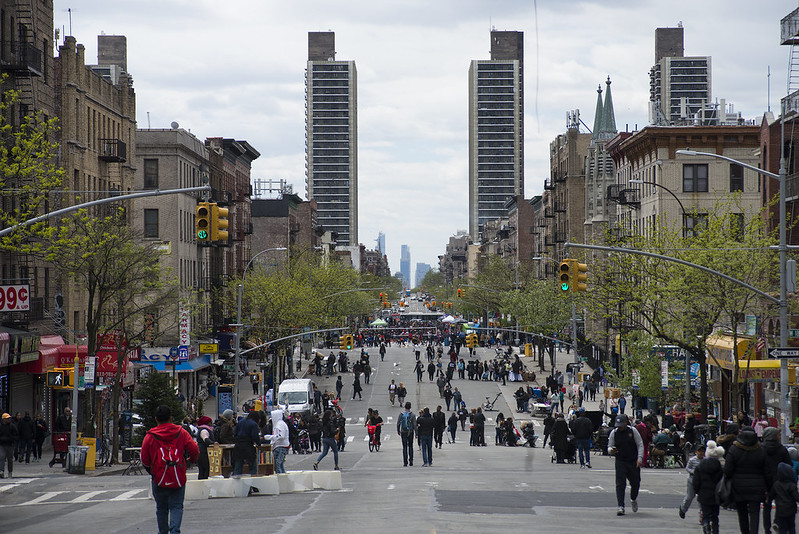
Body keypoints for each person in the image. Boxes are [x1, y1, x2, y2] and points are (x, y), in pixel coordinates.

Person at [141, 405, 199, 534]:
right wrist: (191, 461)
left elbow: (144, 459)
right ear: (171, 418)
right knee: (176, 506)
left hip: (159, 476)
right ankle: (175, 531)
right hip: (178, 475)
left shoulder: (150, 436)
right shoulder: (181, 432)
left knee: (161, 507)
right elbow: (194, 449)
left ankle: (163, 531)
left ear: (156, 419)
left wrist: (152, 471)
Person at [724, 425, 771, 534]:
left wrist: (728, 481)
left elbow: (728, 470)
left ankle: (745, 531)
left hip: (738, 487)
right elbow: (767, 471)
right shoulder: (760, 450)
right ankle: (754, 531)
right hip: (757, 486)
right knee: (755, 512)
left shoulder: (734, 449)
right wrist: (768, 488)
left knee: (742, 512)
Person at [608, 414, 643, 516]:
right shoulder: (614, 433)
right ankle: (621, 506)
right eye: (617, 425)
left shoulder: (633, 431)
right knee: (620, 484)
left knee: (635, 483)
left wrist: (639, 458)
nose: (619, 427)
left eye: (621, 424)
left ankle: (633, 498)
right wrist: (611, 451)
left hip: (633, 461)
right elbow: (609, 446)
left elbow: (640, 444)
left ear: (625, 423)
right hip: (620, 461)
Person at [763, 426, 791, 533]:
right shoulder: (781, 449)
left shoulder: (761, 448)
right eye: (778, 435)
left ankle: (767, 528)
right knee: (780, 503)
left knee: (767, 505)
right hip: (779, 480)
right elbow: (788, 464)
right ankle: (776, 521)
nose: (780, 436)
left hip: (765, 480)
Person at [693, 440, 725, 534]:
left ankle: (706, 527)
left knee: (705, 514)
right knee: (715, 515)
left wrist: (697, 491)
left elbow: (696, 481)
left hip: (704, 493)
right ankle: (715, 530)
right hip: (715, 494)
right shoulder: (719, 466)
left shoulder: (700, 466)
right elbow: (721, 480)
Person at [678, 443, 705, 519]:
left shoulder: (705, 461)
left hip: (701, 481)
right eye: (700, 451)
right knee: (690, 496)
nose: (701, 453)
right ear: (696, 452)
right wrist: (692, 471)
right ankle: (683, 509)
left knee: (701, 498)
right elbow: (687, 468)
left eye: (703, 451)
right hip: (692, 480)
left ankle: (702, 515)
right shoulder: (692, 460)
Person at [772, 462, 799, 534]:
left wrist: (768, 499)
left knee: (782, 528)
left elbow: (772, 495)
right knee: (791, 527)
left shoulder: (776, 484)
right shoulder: (792, 485)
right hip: (791, 509)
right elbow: (796, 497)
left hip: (780, 510)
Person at [264, 410, 290, 474]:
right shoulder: (277, 425)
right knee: (278, 464)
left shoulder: (280, 424)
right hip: (278, 446)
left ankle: (280, 477)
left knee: (277, 463)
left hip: (282, 446)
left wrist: (269, 437)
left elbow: (281, 436)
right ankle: (283, 475)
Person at [397, 402, 417, 467]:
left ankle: (405, 462)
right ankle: (411, 460)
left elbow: (398, 423)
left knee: (404, 447)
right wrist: (416, 433)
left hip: (403, 431)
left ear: (405, 407)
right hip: (410, 432)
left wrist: (398, 430)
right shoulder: (412, 415)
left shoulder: (401, 414)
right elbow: (414, 424)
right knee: (410, 446)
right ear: (410, 407)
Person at [195, 416, 215, 480]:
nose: (211, 423)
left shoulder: (205, 429)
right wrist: (213, 443)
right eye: (210, 422)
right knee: (205, 468)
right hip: (203, 452)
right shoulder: (204, 430)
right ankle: (203, 483)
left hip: (202, 451)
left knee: (203, 469)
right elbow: (206, 439)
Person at [0, 413, 17, 478]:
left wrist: (12, 439)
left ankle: (10, 472)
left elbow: (16, 434)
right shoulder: (0, 426)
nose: (9, 419)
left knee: (10, 458)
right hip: (1, 444)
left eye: (9, 418)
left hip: (9, 444)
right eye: (7, 418)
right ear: (3, 419)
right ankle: (1, 471)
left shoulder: (12, 426)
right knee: (2, 457)